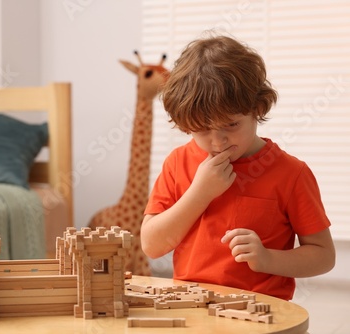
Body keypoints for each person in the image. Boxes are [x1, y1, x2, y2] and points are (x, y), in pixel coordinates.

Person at [141, 35, 335, 300]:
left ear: (257, 108)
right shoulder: (177, 162)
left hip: (261, 311)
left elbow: (324, 256)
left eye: (231, 125)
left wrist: (268, 260)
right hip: (189, 307)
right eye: (202, 130)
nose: (218, 141)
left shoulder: (291, 173)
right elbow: (151, 245)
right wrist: (200, 193)